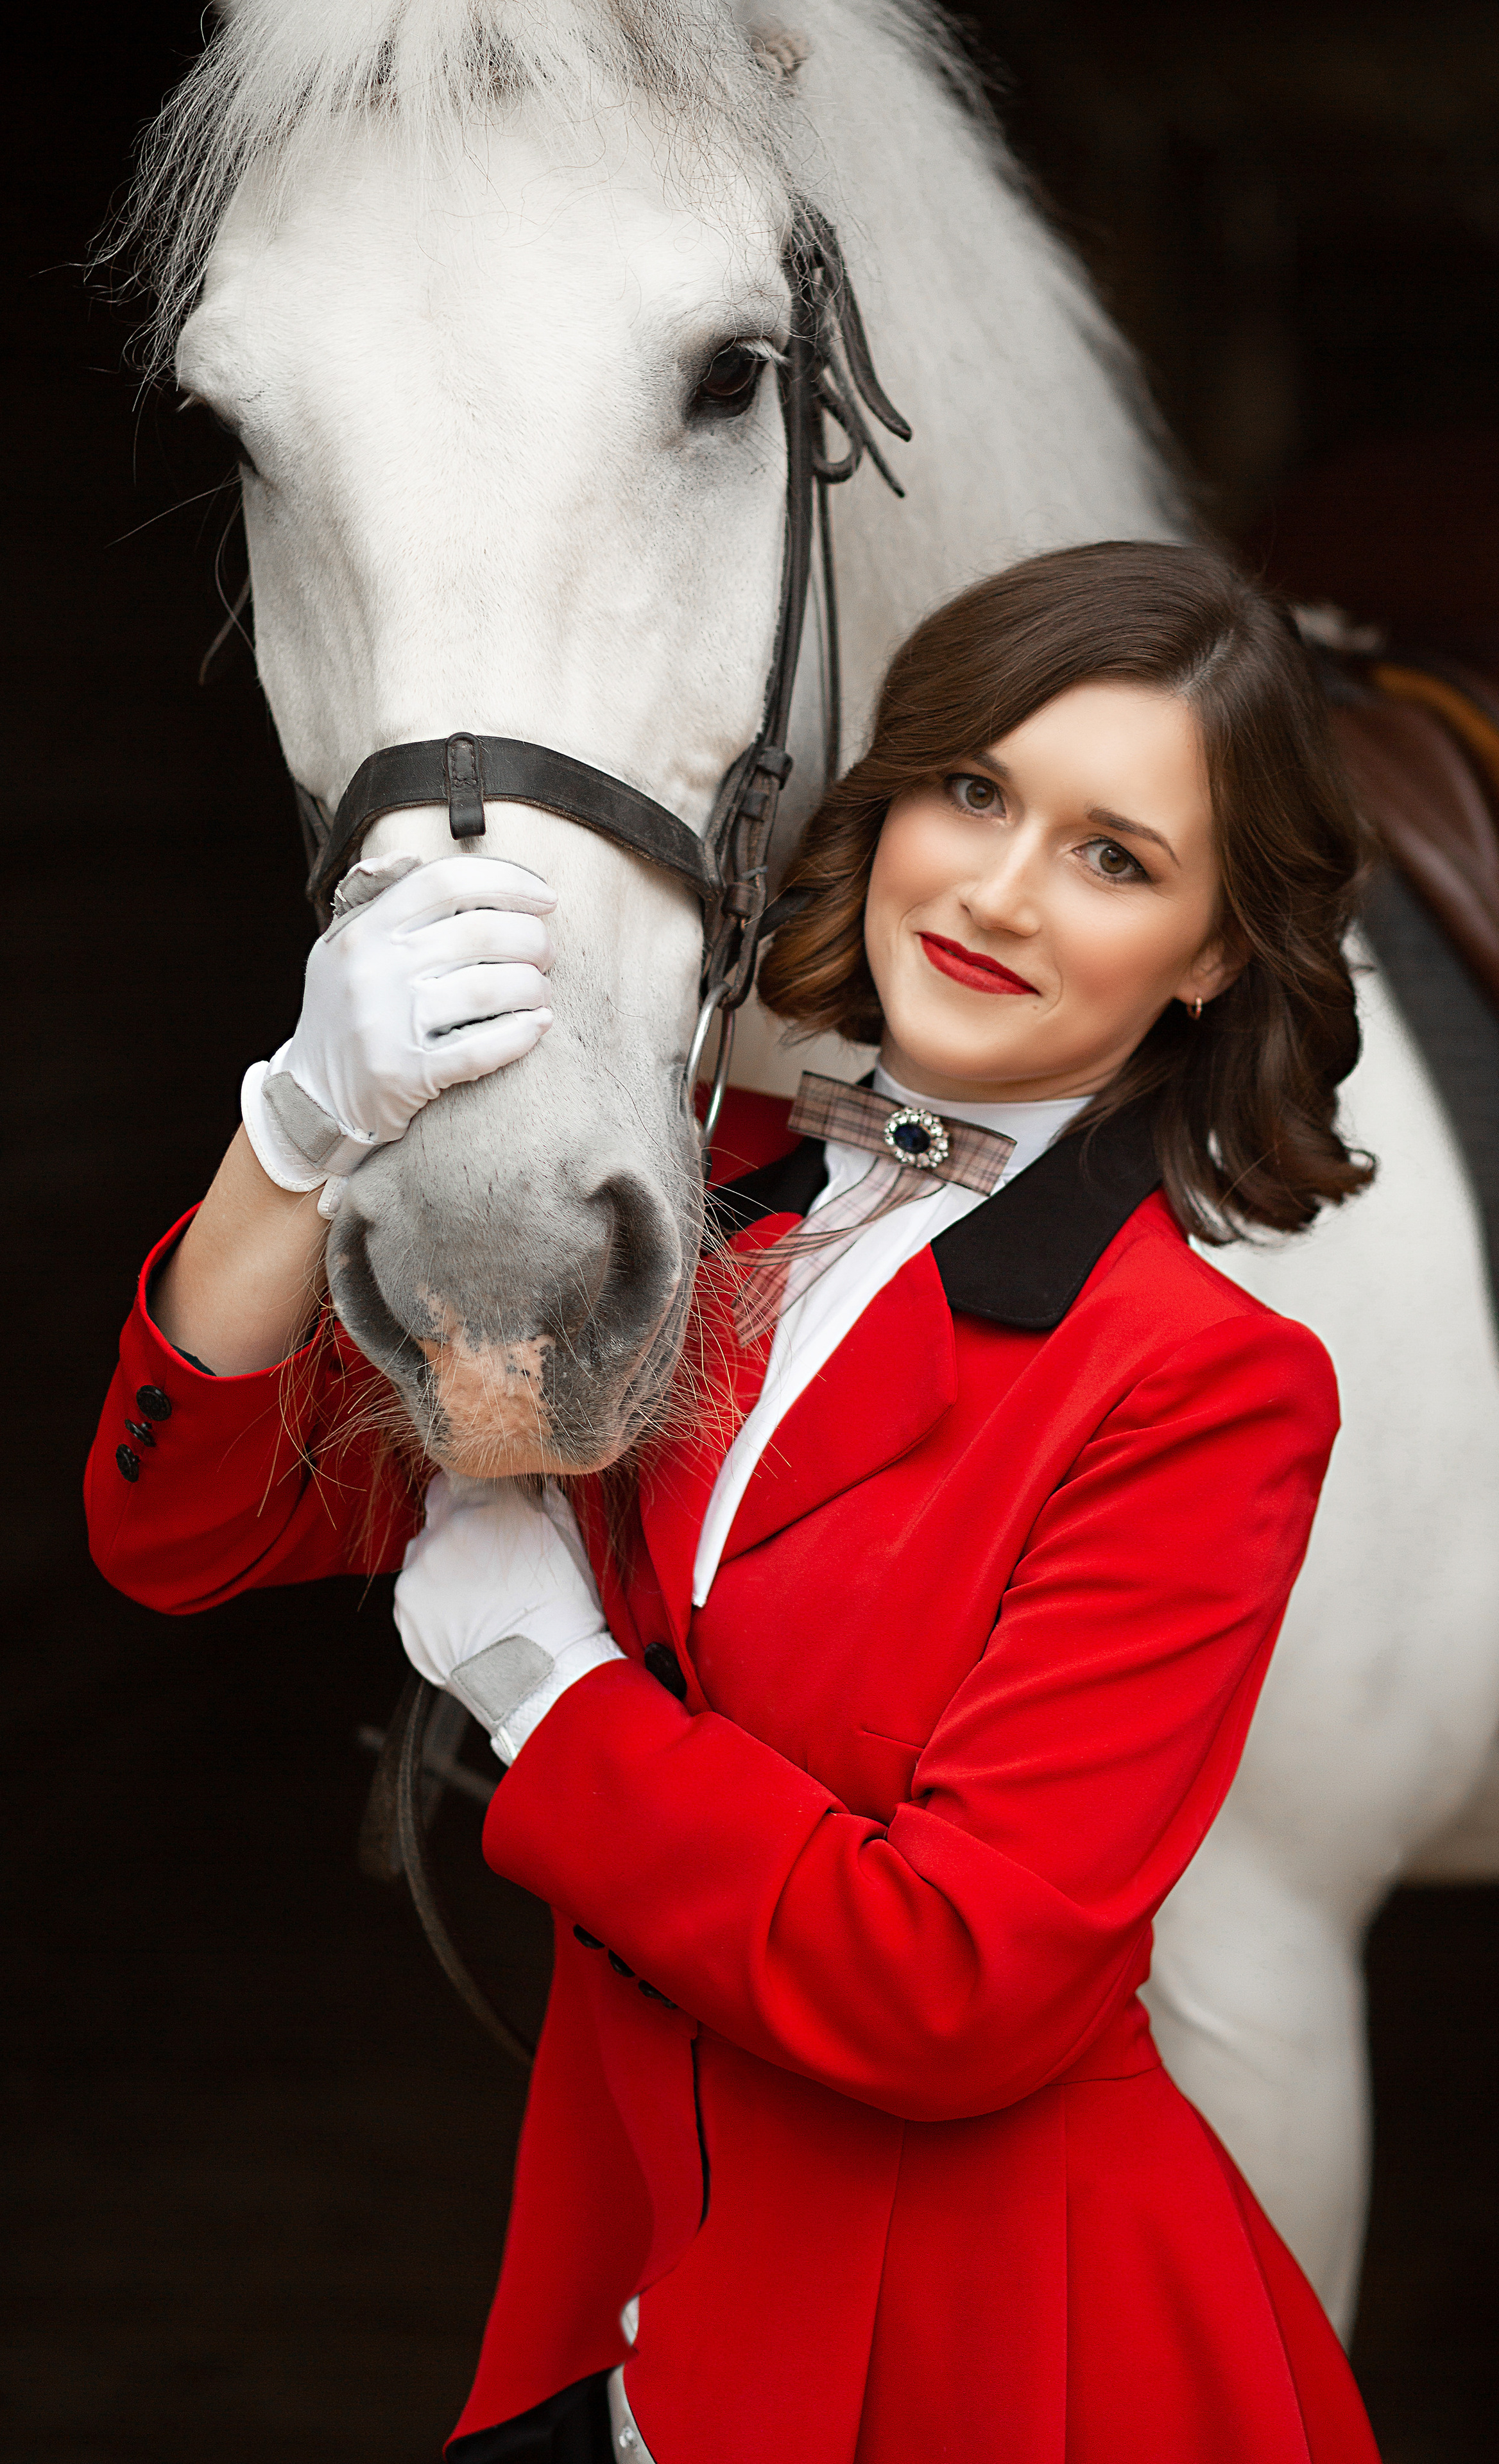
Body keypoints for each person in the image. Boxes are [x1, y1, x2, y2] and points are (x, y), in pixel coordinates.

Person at [87, 540, 1382, 2463]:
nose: (1002, 892)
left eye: (1114, 858)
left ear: (1209, 956)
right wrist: (291, 1131)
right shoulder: (686, 1204)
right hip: (628, 2287)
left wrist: (560, 1702)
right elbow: (191, 1526)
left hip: (994, 2347)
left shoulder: (1199, 1384)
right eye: (974, 793)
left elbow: (957, 1990)